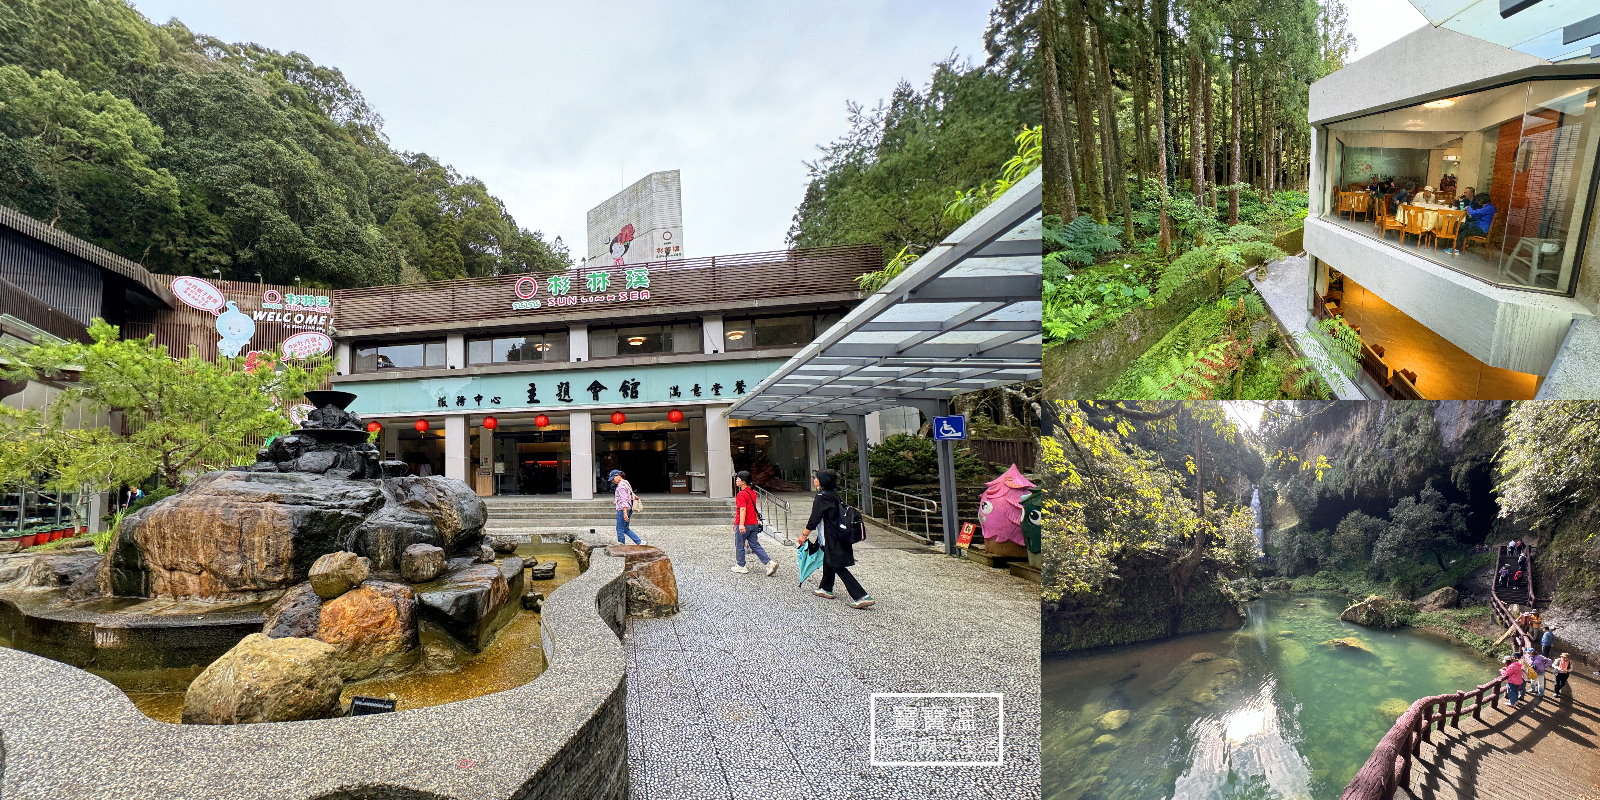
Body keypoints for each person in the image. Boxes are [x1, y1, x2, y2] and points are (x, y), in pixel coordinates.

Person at [799, 469, 874, 609]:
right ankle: (825, 588)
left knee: (837, 564)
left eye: (816, 478)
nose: (814, 480)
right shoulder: (833, 494)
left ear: (822, 481)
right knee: (829, 559)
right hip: (837, 533)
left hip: (831, 536)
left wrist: (804, 534)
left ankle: (861, 596)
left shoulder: (822, 496)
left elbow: (814, 518)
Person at [731, 471, 777, 576]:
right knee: (755, 545)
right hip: (754, 523)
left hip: (744, 523)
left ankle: (741, 566)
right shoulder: (752, 492)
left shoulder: (741, 494)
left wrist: (740, 524)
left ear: (743, 482)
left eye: (738, 479)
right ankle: (769, 563)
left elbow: (742, 510)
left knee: (739, 544)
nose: (736, 480)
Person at [609, 469, 644, 546]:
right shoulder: (626, 482)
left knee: (620, 529)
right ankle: (640, 542)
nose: (612, 481)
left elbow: (624, 500)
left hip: (623, 509)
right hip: (629, 508)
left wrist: (625, 513)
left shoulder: (621, 486)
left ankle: (621, 547)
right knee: (625, 528)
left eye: (613, 478)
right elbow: (628, 495)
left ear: (617, 476)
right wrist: (616, 500)